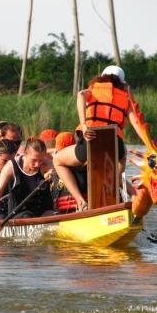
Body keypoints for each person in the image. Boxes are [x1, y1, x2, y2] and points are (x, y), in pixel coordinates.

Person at [53, 65, 147, 210]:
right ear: (121, 82)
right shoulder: (125, 98)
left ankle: (80, 201)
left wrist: (84, 125)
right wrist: (150, 146)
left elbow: (80, 95)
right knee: (118, 167)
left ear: (102, 77)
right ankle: (134, 196)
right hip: (116, 146)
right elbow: (136, 122)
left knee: (57, 159)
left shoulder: (93, 89)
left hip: (92, 141)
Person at [0, 137, 55, 234]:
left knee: (53, 214)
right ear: (25, 154)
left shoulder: (47, 164)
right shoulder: (11, 167)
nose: (37, 164)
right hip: (20, 214)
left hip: (45, 213)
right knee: (27, 215)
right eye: (34, 160)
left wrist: (54, 176)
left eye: (41, 160)